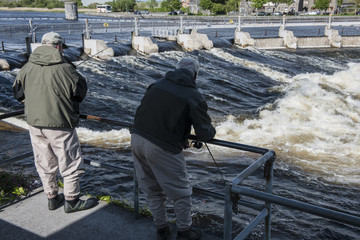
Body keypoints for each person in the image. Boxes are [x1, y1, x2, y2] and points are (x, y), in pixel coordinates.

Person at [131, 58, 216, 240]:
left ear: (176, 69)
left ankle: (162, 229)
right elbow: (205, 132)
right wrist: (205, 133)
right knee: (181, 191)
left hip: (137, 137)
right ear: (195, 75)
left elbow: (158, 114)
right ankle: (185, 232)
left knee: (152, 188)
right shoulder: (193, 94)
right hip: (161, 145)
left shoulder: (156, 84)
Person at [12, 32, 97, 213]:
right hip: (60, 123)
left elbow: (18, 93)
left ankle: (51, 197)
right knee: (70, 162)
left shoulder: (27, 67)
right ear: (58, 47)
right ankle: (72, 201)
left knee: (45, 162)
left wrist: (32, 103)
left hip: (34, 123)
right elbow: (80, 92)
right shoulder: (66, 68)